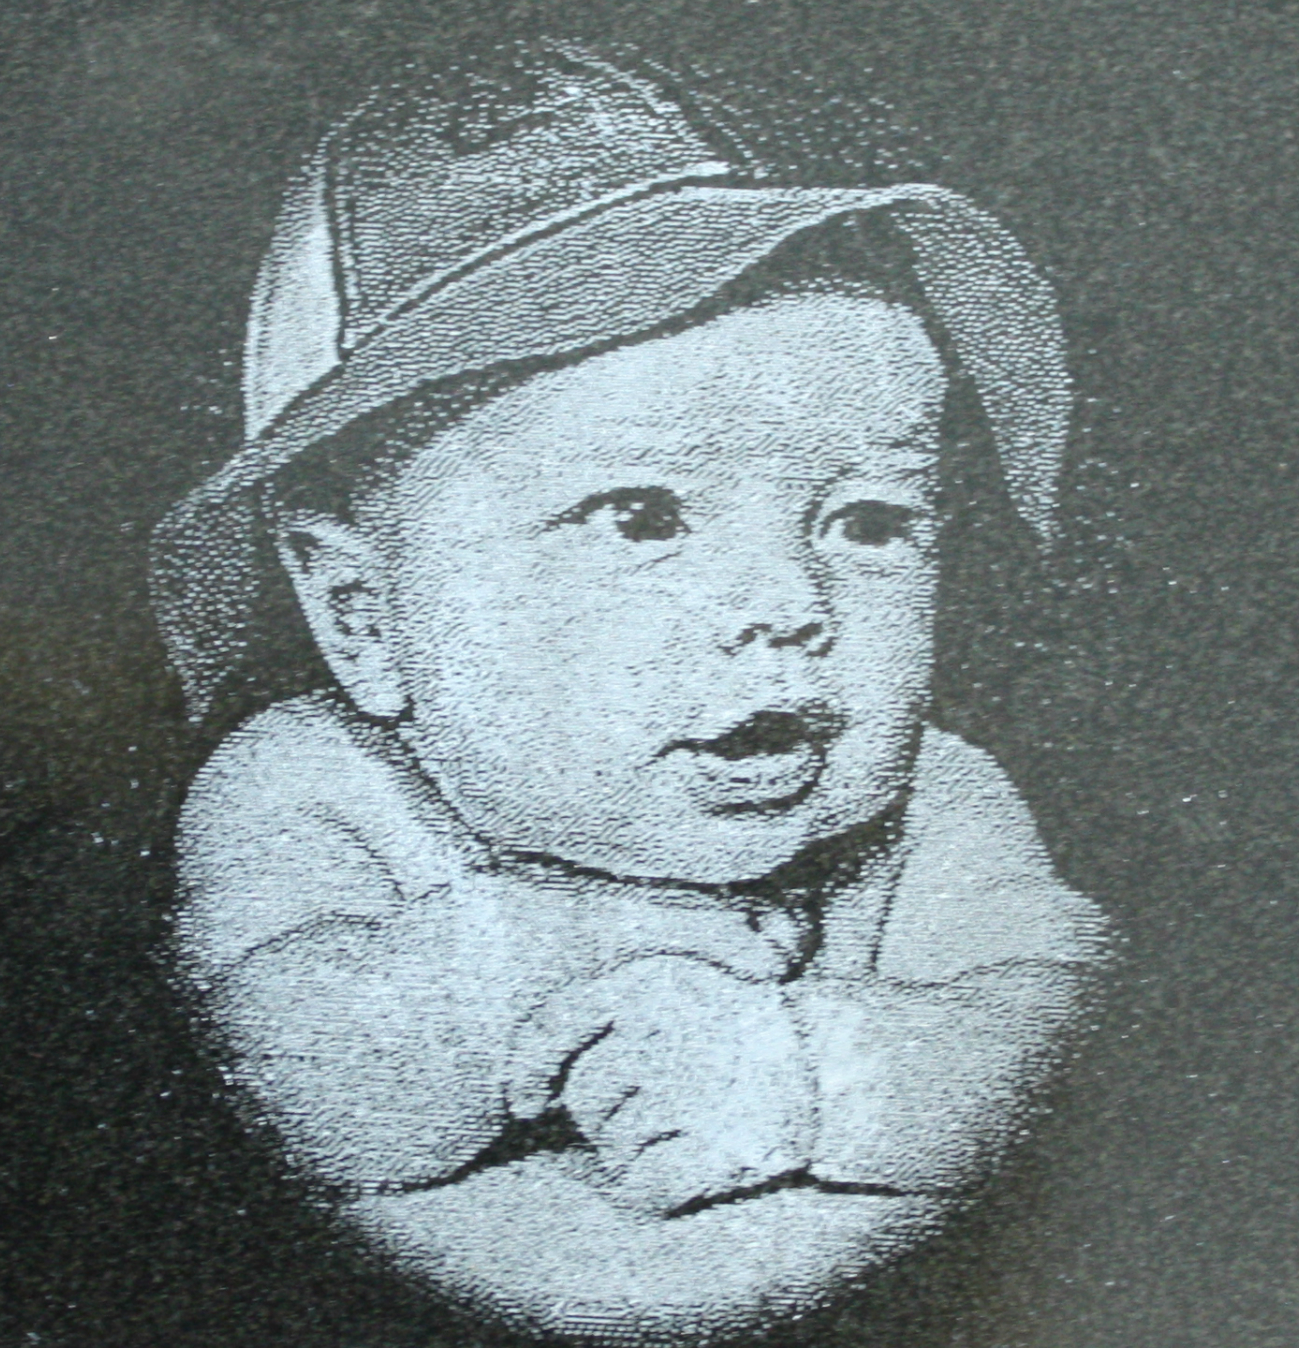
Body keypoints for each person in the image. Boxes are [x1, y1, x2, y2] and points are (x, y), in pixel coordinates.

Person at [151, 43, 1106, 1342]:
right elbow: (275, 1088)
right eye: (642, 515)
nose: (788, 604)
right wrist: (551, 944)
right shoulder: (308, 788)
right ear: (363, 618)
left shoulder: (936, 807)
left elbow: (1071, 1067)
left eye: (868, 521)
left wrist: (808, 1078)